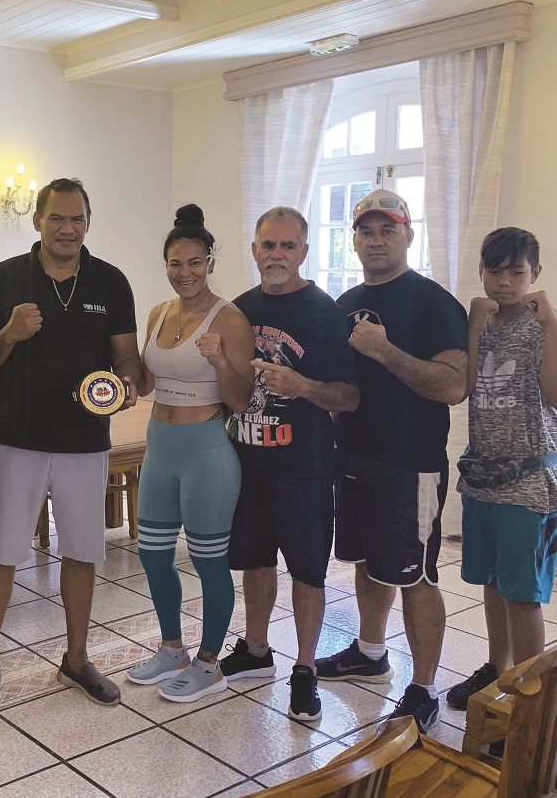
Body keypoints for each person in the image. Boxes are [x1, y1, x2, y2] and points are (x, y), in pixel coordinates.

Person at [0, 177, 142, 710]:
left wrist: (128, 384)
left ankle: (77, 658)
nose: (67, 228)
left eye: (77, 219)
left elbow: (126, 358)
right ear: (37, 220)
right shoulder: (5, 278)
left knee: (83, 552)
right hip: (17, 441)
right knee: (2, 553)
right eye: (57, 218)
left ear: (89, 223)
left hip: (87, 443)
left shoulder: (110, 282)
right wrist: (10, 335)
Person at [315, 189, 468, 735]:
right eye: (366, 231)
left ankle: (425, 686)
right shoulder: (343, 302)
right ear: (353, 238)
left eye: (388, 230)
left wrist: (384, 351)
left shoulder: (431, 302)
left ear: (407, 234)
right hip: (353, 457)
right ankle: (369, 650)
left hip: (412, 462)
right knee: (365, 563)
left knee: (416, 576)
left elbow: (454, 386)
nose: (376, 240)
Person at [218, 206, 359, 723]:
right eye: (268, 245)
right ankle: (256, 649)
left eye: (288, 246)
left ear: (304, 251)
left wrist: (303, 387)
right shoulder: (235, 310)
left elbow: (349, 396)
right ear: (254, 249)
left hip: (306, 466)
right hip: (246, 462)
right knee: (254, 563)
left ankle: (305, 668)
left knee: (307, 572)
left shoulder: (325, 312)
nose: (277, 255)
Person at [444, 227, 557, 711]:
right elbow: (467, 388)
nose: (503, 282)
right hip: (483, 476)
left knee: (523, 594)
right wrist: (476, 327)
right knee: (493, 582)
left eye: (515, 272)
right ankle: (497, 669)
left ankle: (529, 697)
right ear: (481, 272)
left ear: (534, 274)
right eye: (494, 271)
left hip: (529, 480)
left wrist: (548, 325)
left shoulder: (546, 323)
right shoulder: (480, 321)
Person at [125, 204, 254, 702]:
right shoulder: (159, 313)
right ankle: (172, 648)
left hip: (206, 451)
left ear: (211, 263)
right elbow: (148, 379)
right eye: (176, 264)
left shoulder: (232, 318)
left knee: (208, 562)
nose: (186, 273)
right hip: (160, 447)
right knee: (152, 554)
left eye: (195, 262)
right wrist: (117, 381)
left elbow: (241, 400)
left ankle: (208, 662)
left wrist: (221, 359)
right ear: (165, 266)